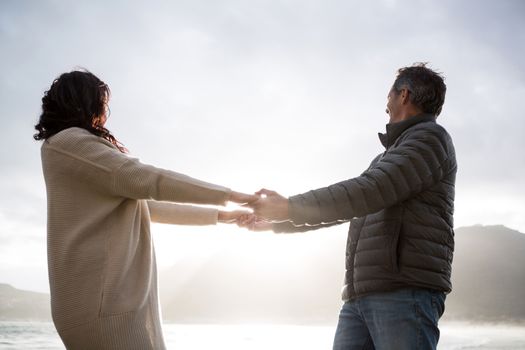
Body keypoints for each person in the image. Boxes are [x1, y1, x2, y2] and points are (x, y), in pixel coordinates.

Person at [34, 70, 256, 350]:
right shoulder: (71, 143)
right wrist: (231, 195)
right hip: (103, 304)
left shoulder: (65, 148)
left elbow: (144, 205)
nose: (104, 112)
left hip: (104, 301)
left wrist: (222, 215)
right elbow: (149, 180)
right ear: (84, 102)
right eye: (101, 103)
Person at [241, 63, 456, 350]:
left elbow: (368, 190)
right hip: (361, 296)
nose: (386, 103)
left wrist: (290, 207)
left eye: (389, 95)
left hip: (404, 293)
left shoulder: (430, 140)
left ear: (403, 95)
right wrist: (279, 223)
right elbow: (355, 205)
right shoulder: (385, 158)